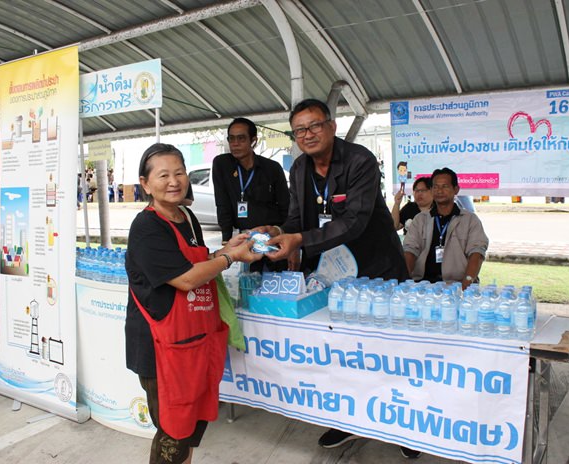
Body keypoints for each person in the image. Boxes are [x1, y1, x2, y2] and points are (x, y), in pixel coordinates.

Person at [258, 99, 418, 458]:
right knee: (343, 350)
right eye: (299, 130)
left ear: (331, 126)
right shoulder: (299, 168)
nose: (307, 135)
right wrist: (279, 230)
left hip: (379, 269)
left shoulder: (359, 160)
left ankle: (407, 426)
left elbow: (354, 222)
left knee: (392, 351)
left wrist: (300, 240)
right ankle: (347, 420)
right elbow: (297, 219)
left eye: (314, 126)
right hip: (334, 275)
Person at [125, 143, 261, 464]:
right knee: (173, 433)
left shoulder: (185, 216)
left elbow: (196, 261)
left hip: (192, 343)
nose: (174, 181)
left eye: (179, 173)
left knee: (189, 429)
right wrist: (230, 258)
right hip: (161, 349)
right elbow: (185, 279)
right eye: (163, 176)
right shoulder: (146, 227)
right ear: (145, 183)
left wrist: (224, 249)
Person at [212, 117, 290, 272]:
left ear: (253, 140)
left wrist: (286, 237)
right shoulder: (222, 165)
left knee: (275, 281)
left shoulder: (272, 168)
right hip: (244, 240)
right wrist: (226, 240)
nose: (235, 143)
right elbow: (222, 203)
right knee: (247, 285)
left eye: (241, 138)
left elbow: (286, 207)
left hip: (272, 238)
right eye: (231, 138)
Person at [403, 167, 488, 288]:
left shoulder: (470, 220)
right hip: (424, 285)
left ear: (456, 189)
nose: (439, 191)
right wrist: (404, 280)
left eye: (445, 186)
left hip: (457, 285)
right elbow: (410, 250)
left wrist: (467, 284)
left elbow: (477, 253)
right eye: (436, 187)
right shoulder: (420, 219)